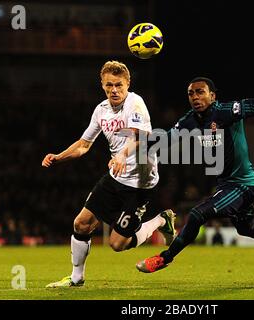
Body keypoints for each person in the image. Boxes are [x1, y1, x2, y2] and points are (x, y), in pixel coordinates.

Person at [119, 77, 254, 282]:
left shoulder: (226, 111)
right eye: (191, 93)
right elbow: (165, 139)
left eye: (200, 92)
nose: (195, 97)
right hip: (228, 184)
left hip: (242, 184)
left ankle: (164, 258)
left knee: (197, 214)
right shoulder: (190, 120)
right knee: (246, 227)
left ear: (212, 95)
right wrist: (132, 149)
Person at [42, 60, 176, 288]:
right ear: (102, 85)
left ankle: (161, 220)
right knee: (81, 224)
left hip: (139, 183)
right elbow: (84, 144)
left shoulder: (136, 103)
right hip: (115, 177)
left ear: (128, 84)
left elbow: (139, 137)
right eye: (109, 85)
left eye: (119, 85)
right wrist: (59, 156)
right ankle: (76, 278)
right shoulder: (101, 110)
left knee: (117, 244)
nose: (114, 90)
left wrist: (122, 155)